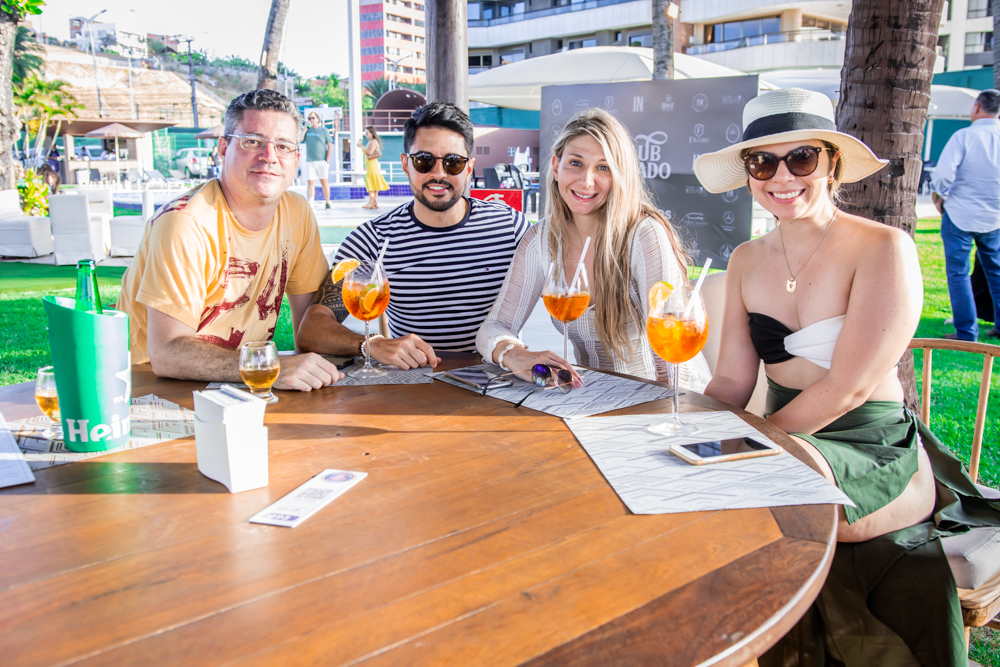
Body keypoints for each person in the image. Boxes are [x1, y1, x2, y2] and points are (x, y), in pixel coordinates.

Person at [693, 87, 1000, 666]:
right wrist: (680, 430)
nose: (781, 176)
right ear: (749, 174)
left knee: (764, 502)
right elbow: (732, 382)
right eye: (762, 161)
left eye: (801, 157)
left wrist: (747, 447)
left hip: (867, 439)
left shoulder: (884, 248)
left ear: (832, 163)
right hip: (785, 434)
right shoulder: (744, 260)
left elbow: (851, 387)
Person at [117, 89, 342, 391]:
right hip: (152, 388)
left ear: (296, 158)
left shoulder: (296, 212)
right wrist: (269, 367)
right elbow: (166, 353)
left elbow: (309, 329)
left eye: (283, 146)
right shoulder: (186, 224)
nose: (269, 157)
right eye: (252, 142)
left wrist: (370, 344)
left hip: (241, 385)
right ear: (223, 149)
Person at [476, 108, 711, 390]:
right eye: (576, 163)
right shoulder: (540, 238)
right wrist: (514, 354)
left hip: (673, 400)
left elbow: (671, 351)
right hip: (593, 397)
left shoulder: (644, 234)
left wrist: (663, 414)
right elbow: (493, 327)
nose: (587, 181)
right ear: (555, 165)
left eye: (603, 167)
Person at [297, 102, 530, 367]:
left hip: (497, 380)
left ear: (469, 167)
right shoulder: (373, 239)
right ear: (405, 164)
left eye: (453, 162)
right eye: (424, 161)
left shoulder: (510, 227)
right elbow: (311, 329)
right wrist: (370, 344)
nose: (439, 174)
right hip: (414, 382)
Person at [930, 88, 1000, 341]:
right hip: (994, 218)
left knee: (958, 273)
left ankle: (966, 332)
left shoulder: (964, 136)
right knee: (996, 272)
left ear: (977, 107)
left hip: (959, 214)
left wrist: (938, 197)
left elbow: (942, 176)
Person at [303, 111, 332, 210]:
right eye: (309, 118)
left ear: (318, 119)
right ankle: (311, 203)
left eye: (313, 118)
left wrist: (327, 158)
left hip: (321, 160)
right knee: (310, 182)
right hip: (310, 161)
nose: (311, 120)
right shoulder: (308, 130)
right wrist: (305, 128)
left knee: (324, 181)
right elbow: (300, 139)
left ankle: (327, 202)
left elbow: (329, 145)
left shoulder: (324, 130)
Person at [359, 125, 389, 209]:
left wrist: (362, 147)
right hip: (371, 165)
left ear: (371, 133)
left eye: (367, 133)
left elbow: (370, 152)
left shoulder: (373, 141)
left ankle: (372, 202)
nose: (366, 135)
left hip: (372, 165)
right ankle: (373, 202)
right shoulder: (372, 141)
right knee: (373, 183)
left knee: (370, 183)